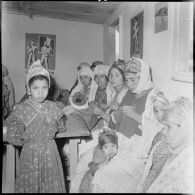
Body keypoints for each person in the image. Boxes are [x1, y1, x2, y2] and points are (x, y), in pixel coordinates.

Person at [4, 60, 66, 193]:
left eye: (44, 87)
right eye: (36, 88)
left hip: (50, 151)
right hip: (30, 153)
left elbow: (60, 127)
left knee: (51, 183)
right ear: (28, 89)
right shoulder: (22, 109)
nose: (40, 92)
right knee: (31, 184)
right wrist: (27, 140)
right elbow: (13, 135)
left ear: (49, 88)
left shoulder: (53, 107)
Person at [137, 96, 193, 193]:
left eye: (168, 126)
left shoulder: (188, 163)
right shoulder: (171, 148)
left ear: (184, 128)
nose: (163, 132)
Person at [79, 128, 118, 193]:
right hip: (89, 182)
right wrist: (104, 163)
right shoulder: (99, 154)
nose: (110, 150)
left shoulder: (117, 155)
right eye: (106, 147)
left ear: (117, 146)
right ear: (102, 148)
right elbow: (92, 170)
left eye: (113, 146)